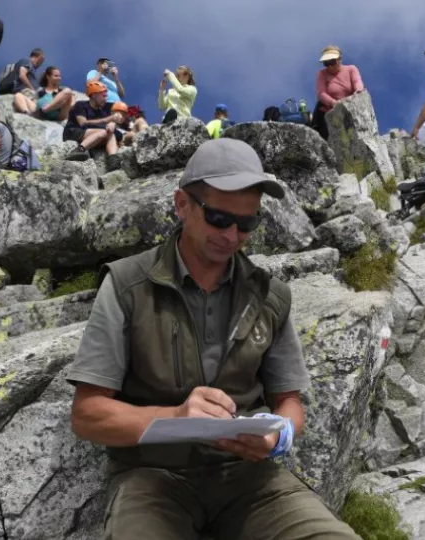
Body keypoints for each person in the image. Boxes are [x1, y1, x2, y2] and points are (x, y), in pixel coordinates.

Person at [66, 138, 361, 540]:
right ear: (182, 204)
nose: (233, 235)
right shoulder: (126, 284)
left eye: (248, 223)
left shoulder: (270, 296)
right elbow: (88, 414)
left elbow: (288, 401)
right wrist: (173, 418)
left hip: (250, 480)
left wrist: (278, 437)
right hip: (152, 477)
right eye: (220, 218)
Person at [311, 45, 365, 139]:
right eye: (326, 63)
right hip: (328, 112)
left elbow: (357, 83)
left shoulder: (351, 69)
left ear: (339, 59)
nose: (330, 66)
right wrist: (333, 103)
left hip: (349, 109)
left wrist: (358, 92)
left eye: (332, 61)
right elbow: (321, 93)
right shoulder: (322, 74)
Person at [63, 81, 120, 168]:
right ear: (94, 95)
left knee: (109, 133)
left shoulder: (101, 111)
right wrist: (107, 120)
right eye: (103, 96)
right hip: (73, 132)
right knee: (104, 132)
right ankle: (78, 150)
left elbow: (109, 126)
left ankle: (113, 161)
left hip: (91, 134)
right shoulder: (80, 105)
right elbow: (83, 123)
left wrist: (112, 123)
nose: (105, 99)